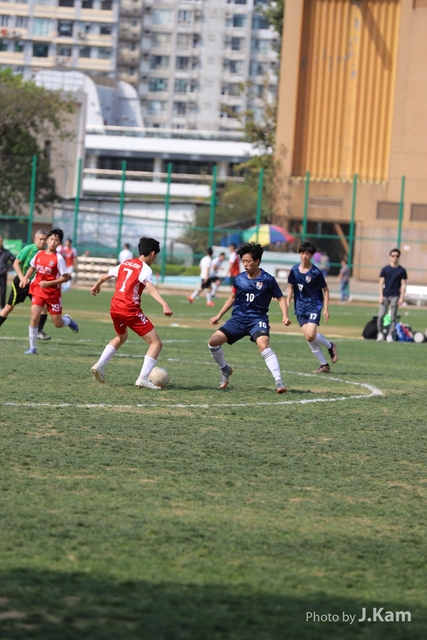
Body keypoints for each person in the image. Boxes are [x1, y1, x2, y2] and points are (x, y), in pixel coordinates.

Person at [90, 236, 173, 390]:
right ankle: (143, 378)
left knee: (120, 337)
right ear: (152, 253)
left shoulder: (126, 263)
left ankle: (100, 365)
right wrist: (164, 304)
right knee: (156, 343)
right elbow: (150, 288)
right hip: (129, 309)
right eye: (156, 256)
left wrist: (96, 286)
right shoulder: (145, 269)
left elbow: (105, 276)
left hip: (115, 307)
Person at [208, 242, 291, 394]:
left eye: (248, 261)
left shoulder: (268, 280)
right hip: (237, 320)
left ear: (257, 260)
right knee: (213, 342)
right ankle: (225, 369)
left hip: (257, 320)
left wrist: (285, 315)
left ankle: (279, 381)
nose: (245, 264)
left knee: (263, 345)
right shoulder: (239, 279)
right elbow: (232, 298)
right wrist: (219, 315)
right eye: (243, 261)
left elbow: (280, 298)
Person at [21, 228, 79, 354]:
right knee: (34, 316)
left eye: (56, 240)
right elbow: (32, 267)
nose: (53, 242)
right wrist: (25, 278)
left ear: (59, 243)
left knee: (58, 323)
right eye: (51, 239)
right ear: (47, 240)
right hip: (37, 290)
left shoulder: (59, 258)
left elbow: (65, 277)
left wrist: (49, 283)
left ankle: (68, 320)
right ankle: (32, 347)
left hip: (53, 294)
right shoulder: (39, 254)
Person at [286, 241, 338, 373]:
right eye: (302, 253)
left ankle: (330, 346)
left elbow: (326, 290)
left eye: (308, 253)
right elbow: (291, 287)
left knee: (310, 334)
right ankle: (324, 364)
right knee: (309, 337)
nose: (304, 256)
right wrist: (287, 302)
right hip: (300, 308)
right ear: (299, 254)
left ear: (312, 255)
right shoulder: (294, 270)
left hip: (314, 306)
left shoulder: (315, 272)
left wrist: (326, 309)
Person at [0, 230, 52, 340]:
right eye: (40, 239)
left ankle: (39, 331)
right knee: (8, 308)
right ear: (35, 240)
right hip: (21, 283)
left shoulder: (46, 253)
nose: (43, 241)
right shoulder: (28, 249)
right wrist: (22, 278)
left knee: (43, 307)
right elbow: (16, 263)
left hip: (35, 285)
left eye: (45, 239)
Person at [377, 248, 408, 343]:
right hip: (385, 295)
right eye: (393, 255)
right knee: (381, 315)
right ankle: (380, 333)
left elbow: (403, 284)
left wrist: (402, 297)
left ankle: (390, 334)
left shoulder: (401, 270)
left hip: (395, 295)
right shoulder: (385, 269)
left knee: (393, 317)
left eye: (397, 256)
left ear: (399, 257)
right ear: (390, 257)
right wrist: (381, 295)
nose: (395, 257)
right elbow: (381, 283)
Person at [0, 235, 15, 310]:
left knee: (3, 292)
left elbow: (14, 261)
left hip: (2, 275)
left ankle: (2, 307)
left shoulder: (6, 252)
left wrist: (9, 269)